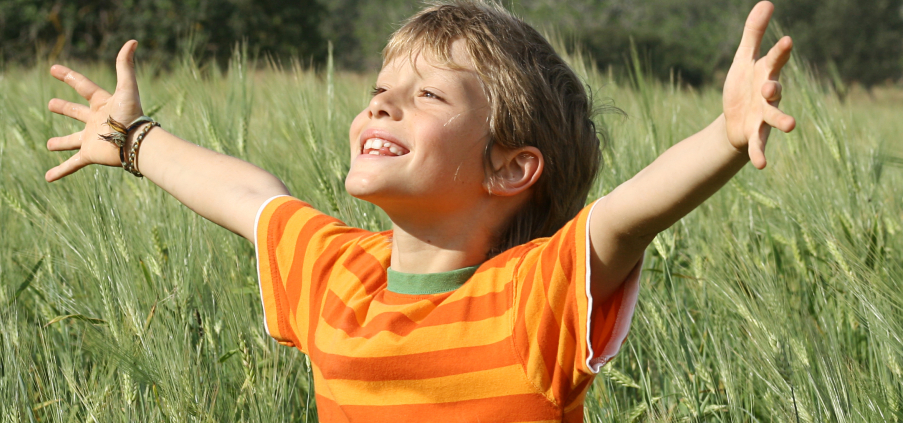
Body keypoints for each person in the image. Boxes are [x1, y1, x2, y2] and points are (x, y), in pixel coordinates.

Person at [41, 0, 795, 420]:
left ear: (510, 167)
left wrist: (725, 135)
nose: (382, 104)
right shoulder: (337, 274)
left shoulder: (531, 299)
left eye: (427, 95)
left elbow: (625, 217)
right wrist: (133, 141)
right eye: (380, 91)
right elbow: (248, 197)